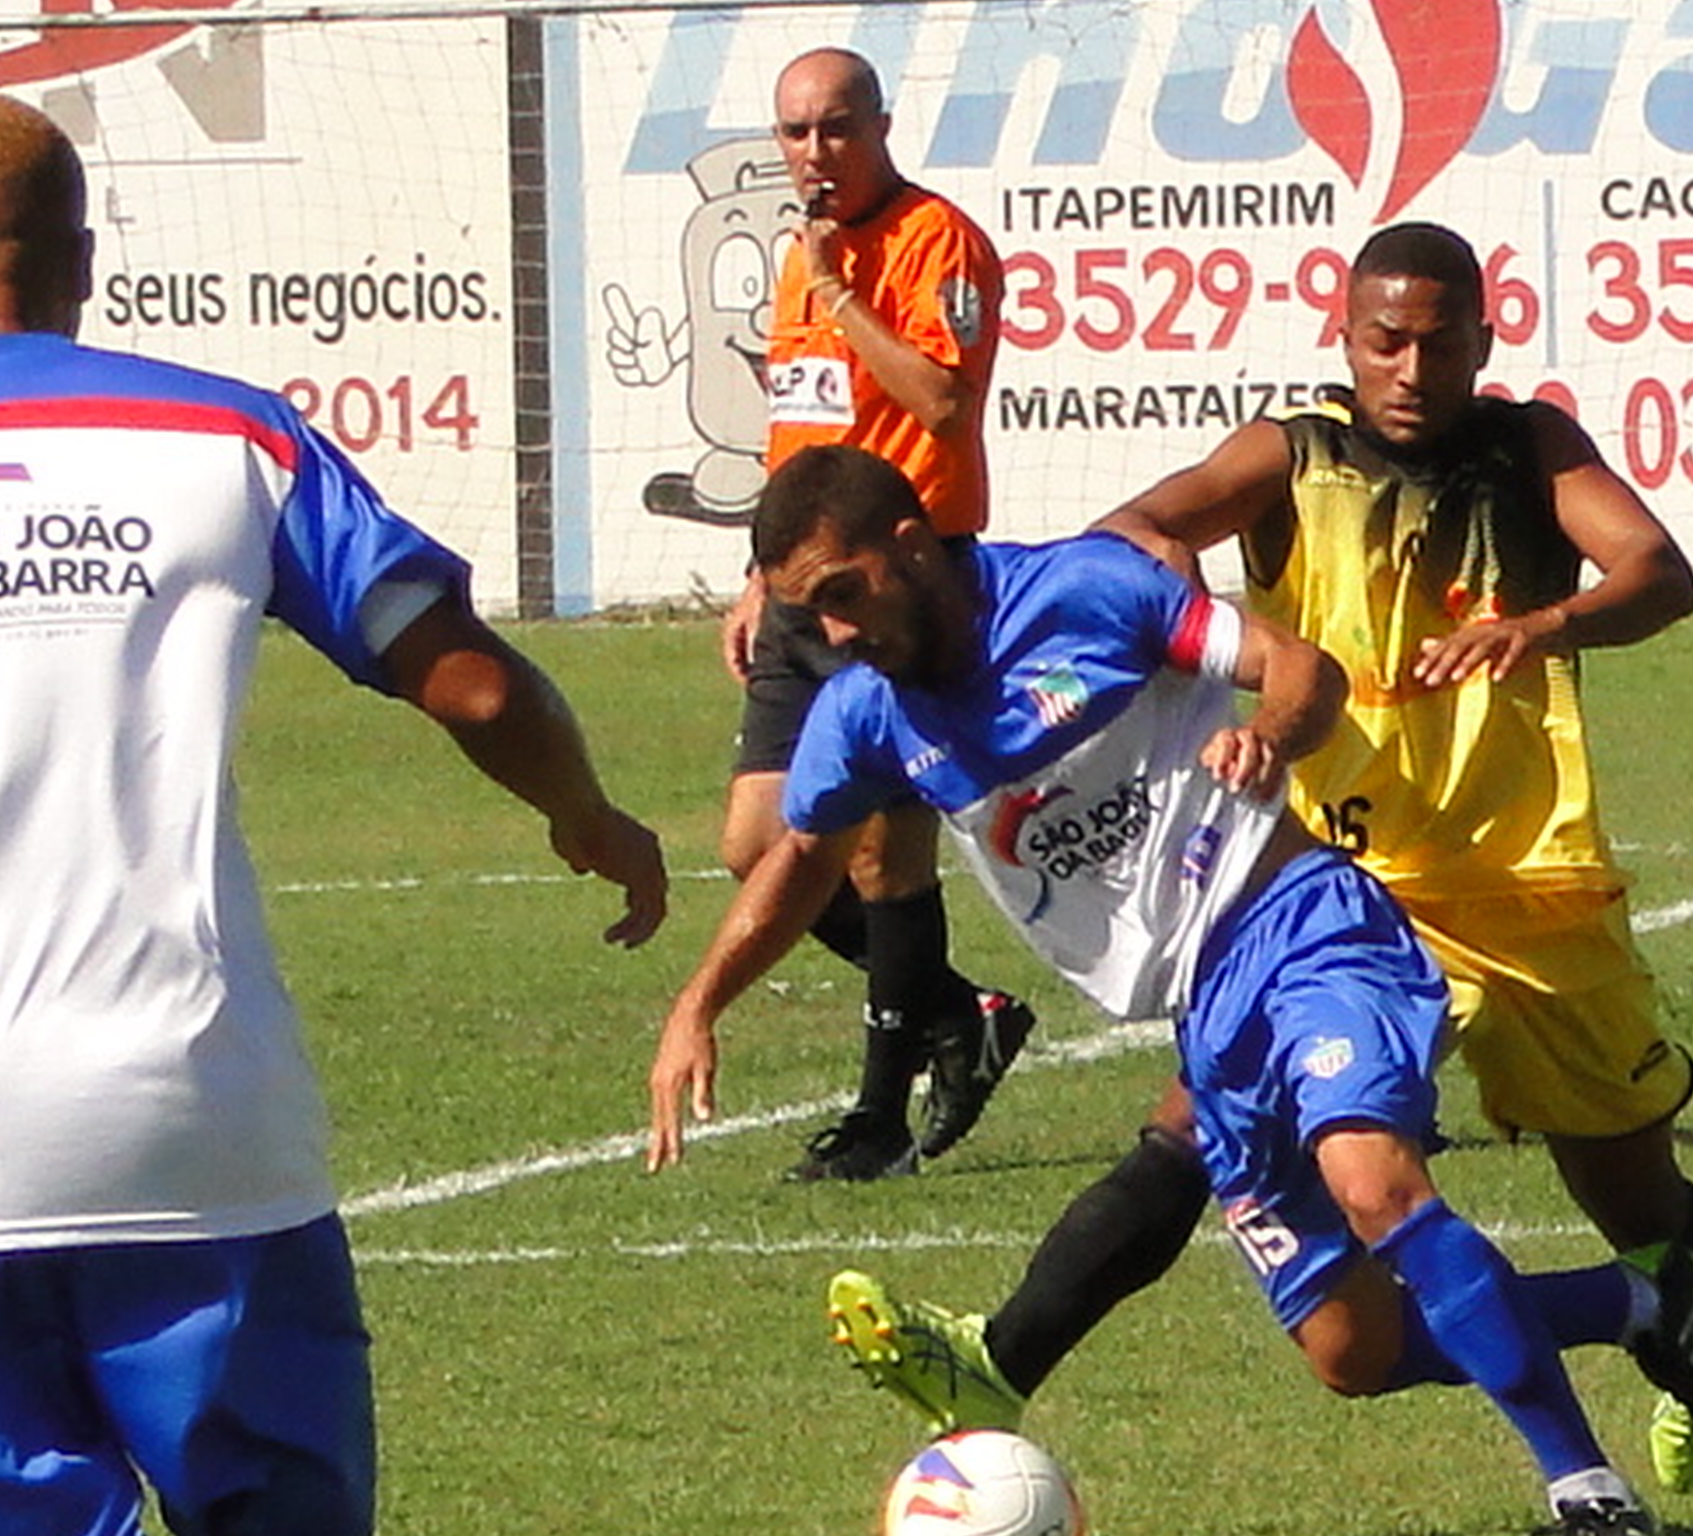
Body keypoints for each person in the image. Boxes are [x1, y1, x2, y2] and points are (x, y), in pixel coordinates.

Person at [0, 93, 666, 1536]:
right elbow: (476, 690)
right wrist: (591, 814)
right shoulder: (227, 439)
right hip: (203, 1129)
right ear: (88, 260)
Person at [650, 442, 1688, 1534]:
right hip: (1206, 1018)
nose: (838, 633)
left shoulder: (1086, 590)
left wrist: (1267, 739)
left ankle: (1589, 1497)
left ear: (907, 547)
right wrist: (698, 1001)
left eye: (842, 596)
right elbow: (800, 860)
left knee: (1374, 1184)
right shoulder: (866, 713)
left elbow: (1302, 671)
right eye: (810, 615)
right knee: (1353, 1352)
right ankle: (1644, 1303)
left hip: (1297, 922)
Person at [826, 221, 1693, 1502]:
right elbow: (1133, 529)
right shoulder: (1291, 452)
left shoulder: (1528, 449)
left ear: (1481, 339)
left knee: (1637, 1194)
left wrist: (1542, 622)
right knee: (1192, 1129)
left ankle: (1666, 1341)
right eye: (1382, 341)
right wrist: (1166, 570)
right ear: (1343, 341)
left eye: (1436, 342)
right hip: (1333, 877)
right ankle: (998, 1359)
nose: (1408, 366)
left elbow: (1658, 573)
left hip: (1524, 883)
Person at [720, 46, 1028, 1182]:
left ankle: (876, 1123)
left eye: (835, 128)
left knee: (876, 852)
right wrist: (760, 574)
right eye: (795, 132)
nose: (814, 153)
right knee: (756, 846)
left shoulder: (931, 242)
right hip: (805, 587)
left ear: (880, 125)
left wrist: (847, 296)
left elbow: (943, 401)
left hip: (902, 585)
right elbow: (799, 429)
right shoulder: (803, 260)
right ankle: (959, 1011)